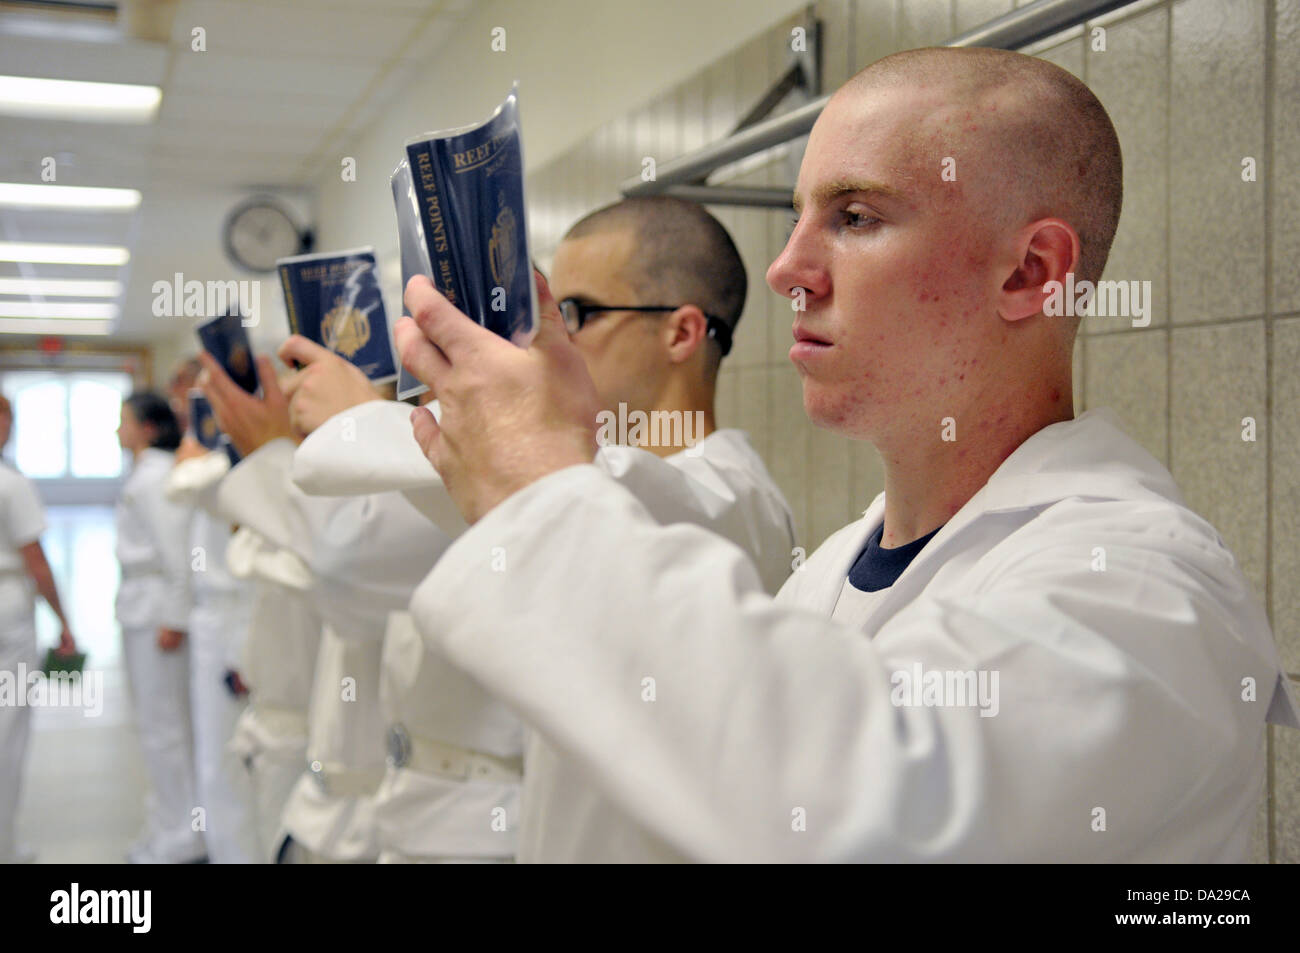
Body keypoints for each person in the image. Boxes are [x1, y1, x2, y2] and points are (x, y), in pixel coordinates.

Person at [396, 47, 1299, 862]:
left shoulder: (1148, 586)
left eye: (856, 216)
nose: (788, 267)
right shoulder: (830, 569)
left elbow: (873, 813)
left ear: (1030, 273)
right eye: (798, 218)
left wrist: (541, 491)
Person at [296, 197, 795, 862]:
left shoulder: (731, 497)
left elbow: (573, 492)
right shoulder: (624, 475)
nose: (549, 337)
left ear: (680, 334)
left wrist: (358, 420)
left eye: (578, 313)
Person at [115, 391, 205, 863]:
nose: (118, 430)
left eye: (124, 421)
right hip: (142, 607)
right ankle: (169, 824)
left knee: (165, 729)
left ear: (148, 427)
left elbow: (177, 554)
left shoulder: (154, 476)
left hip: (156, 615)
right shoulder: (147, 472)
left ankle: (182, 835)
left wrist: (174, 616)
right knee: (158, 728)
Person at [0, 393, 76, 863]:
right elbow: (37, 564)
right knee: (7, 735)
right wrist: (65, 622)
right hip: (7, 615)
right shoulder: (11, 484)